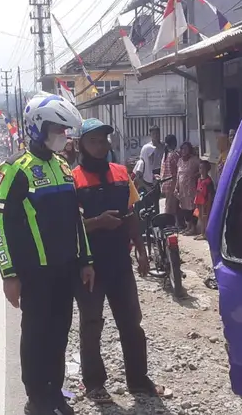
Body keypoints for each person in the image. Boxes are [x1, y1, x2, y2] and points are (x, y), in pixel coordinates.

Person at [0, 93, 95, 415]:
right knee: (36, 336)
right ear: (38, 127)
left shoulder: (63, 167)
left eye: (65, 130)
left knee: (60, 334)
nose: (63, 136)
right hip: (35, 275)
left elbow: (76, 219)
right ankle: (36, 398)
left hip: (65, 272)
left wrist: (86, 260)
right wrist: (9, 275)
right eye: (57, 129)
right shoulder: (14, 170)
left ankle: (55, 392)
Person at [71, 118, 168, 404]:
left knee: (131, 323)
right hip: (88, 265)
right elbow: (70, 227)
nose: (100, 146)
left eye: (103, 140)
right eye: (93, 141)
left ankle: (138, 381)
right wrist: (98, 223)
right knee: (91, 324)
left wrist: (140, 249)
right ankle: (94, 384)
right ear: (81, 145)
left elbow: (132, 214)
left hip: (119, 263)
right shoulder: (72, 178)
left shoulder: (121, 173)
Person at [175, 142, 201, 235]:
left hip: (191, 188)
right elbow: (178, 175)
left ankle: (193, 227)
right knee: (184, 209)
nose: (184, 151)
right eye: (182, 149)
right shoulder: (180, 161)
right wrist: (176, 188)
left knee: (192, 209)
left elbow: (202, 169)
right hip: (182, 189)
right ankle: (188, 226)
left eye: (186, 149)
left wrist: (195, 176)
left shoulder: (194, 160)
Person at [135, 125, 164, 207]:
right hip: (150, 172)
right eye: (154, 134)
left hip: (160, 171)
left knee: (156, 198)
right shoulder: (147, 148)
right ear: (151, 135)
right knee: (148, 200)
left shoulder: (163, 146)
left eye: (157, 133)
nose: (156, 136)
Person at [159, 134, 180, 225]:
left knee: (168, 204)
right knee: (172, 207)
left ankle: (170, 224)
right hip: (172, 182)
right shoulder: (174, 155)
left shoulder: (165, 155)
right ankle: (171, 224)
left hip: (165, 183)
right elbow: (177, 170)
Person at [194, 161, 215, 240]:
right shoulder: (199, 179)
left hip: (205, 203)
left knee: (205, 218)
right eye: (200, 168)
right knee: (201, 218)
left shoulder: (208, 181)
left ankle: (205, 234)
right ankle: (202, 233)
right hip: (199, 202)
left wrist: (208, 204)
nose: (201, 170)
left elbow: (210, 194)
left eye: (203, 168)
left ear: (207, 169)